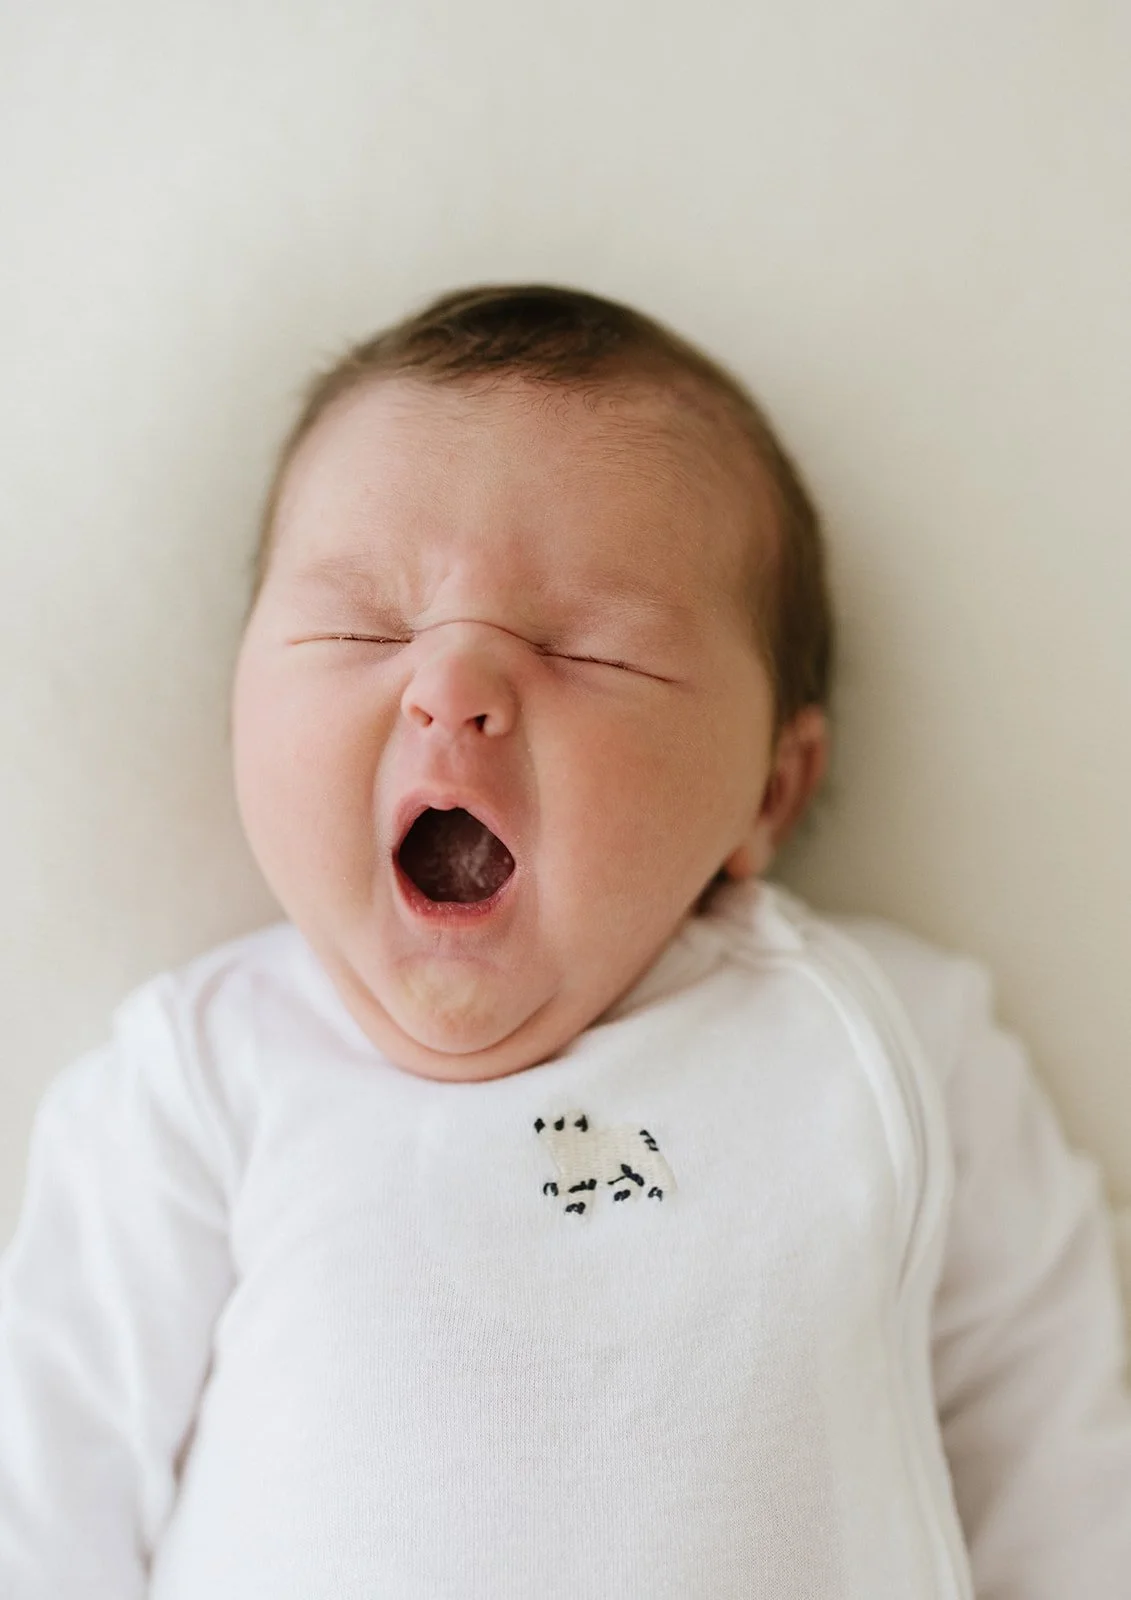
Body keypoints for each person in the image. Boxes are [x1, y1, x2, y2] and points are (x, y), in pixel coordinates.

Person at [1, 284, 1129, 1599]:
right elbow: (42, 1495)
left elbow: (1060, 1465)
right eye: (363, 625)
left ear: (768, 789)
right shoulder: (200, 1081)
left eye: (586, 649)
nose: (453, 690)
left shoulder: (893, 1040)